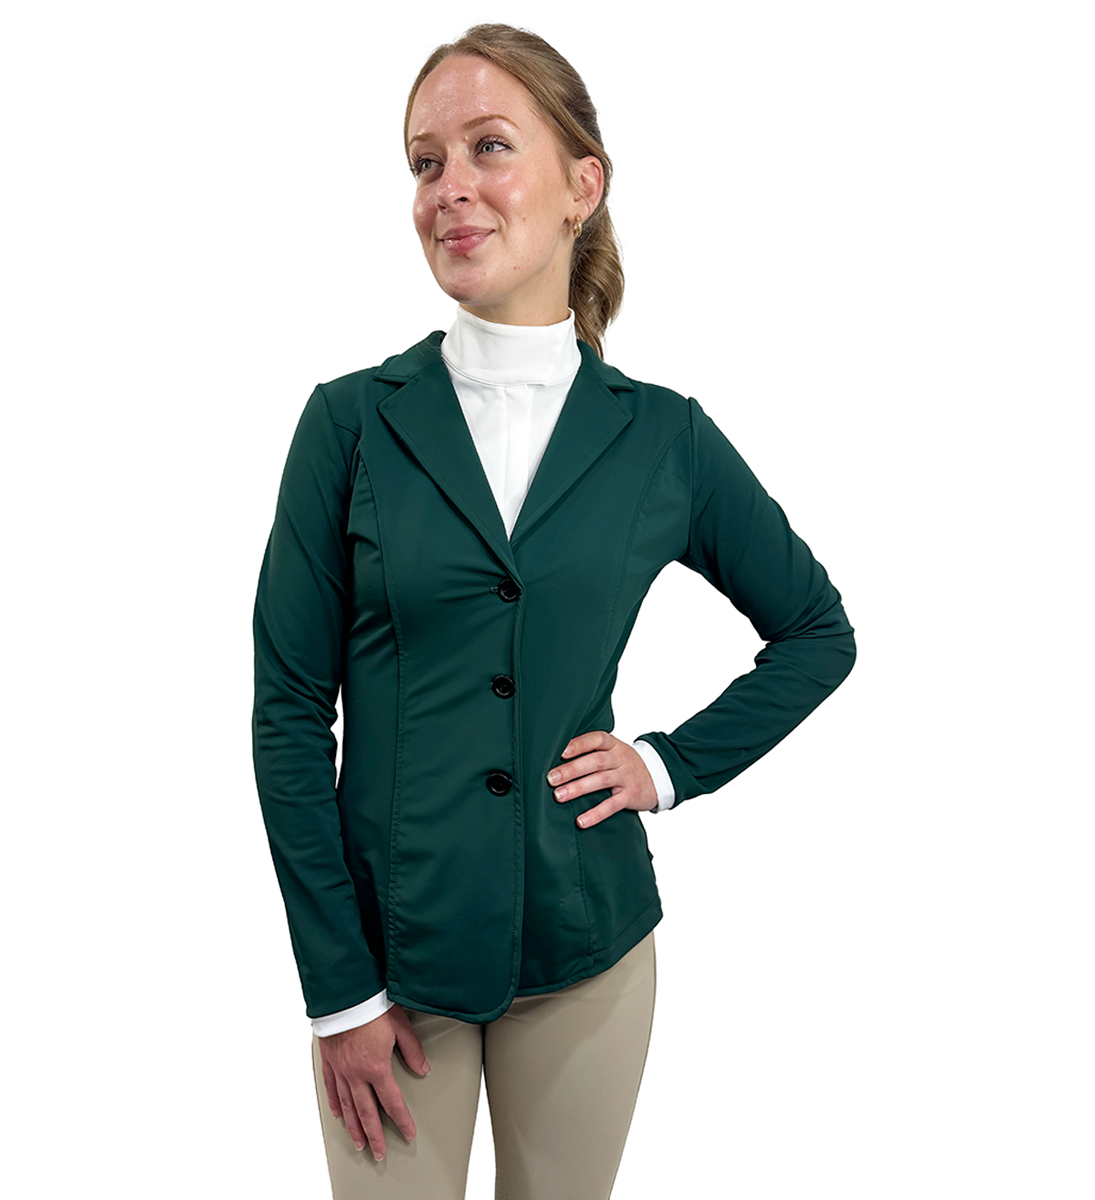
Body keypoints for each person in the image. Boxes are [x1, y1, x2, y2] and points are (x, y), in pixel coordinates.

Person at [251, 22, 856, 1198]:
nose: (450, 188)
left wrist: (666, 766)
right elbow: (286, 714)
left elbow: (817, 633)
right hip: (390, 963)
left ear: (584, 185)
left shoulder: (664, 437)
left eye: (489, 147)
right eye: (425, 162)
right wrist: (339, 992)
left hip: (588, 946)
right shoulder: (348, 424)